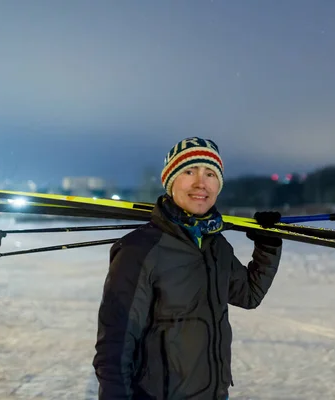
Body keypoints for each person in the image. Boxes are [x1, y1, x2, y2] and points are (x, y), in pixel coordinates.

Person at [92, 137, 283, 399]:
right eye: (189, 171)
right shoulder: (139, 249)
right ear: (170, 182)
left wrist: (268, 247)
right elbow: (115, 346)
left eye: (210, 173)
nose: (200, 183)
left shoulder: (217, 246)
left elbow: (249, 295)